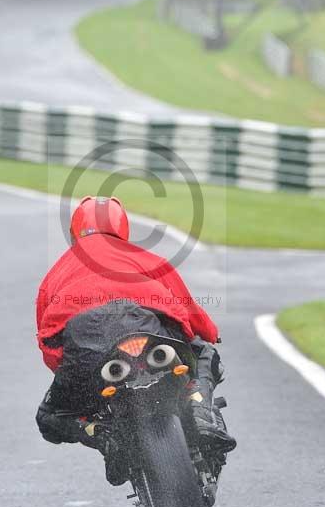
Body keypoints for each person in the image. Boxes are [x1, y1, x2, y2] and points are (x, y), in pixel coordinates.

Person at [35, 196, 236, 484]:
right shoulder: (147, 259)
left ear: (74, 231)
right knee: (205, 353)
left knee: (50, 416)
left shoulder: (56, 273)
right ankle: (199, 410)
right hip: (152, 332)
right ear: (123, 229)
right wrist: (208, 334)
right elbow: (191, 315)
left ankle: (104, 437)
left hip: (89, 352)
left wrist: (72, 373)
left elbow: (48, 342)